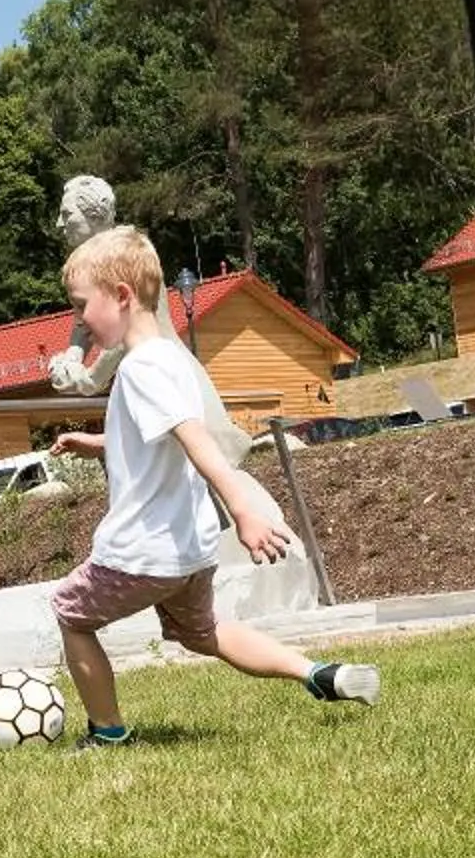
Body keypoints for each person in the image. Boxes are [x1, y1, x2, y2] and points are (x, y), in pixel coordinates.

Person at [47, 225, 380, 746]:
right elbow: (158, 439)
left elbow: (196, 441)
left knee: (70, 613)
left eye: (81, 305)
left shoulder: (140, 370)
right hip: (189, 551)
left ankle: (107, 734)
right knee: (203, 633)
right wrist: (96, 443)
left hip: (142, 552)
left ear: (122, 296)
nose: (80, 321)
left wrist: (243, 508)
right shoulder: (171, 361)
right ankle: (317, 673)